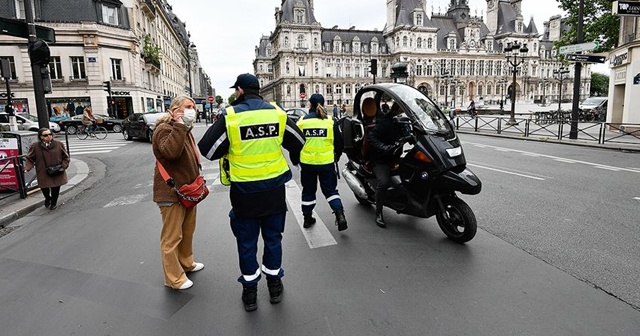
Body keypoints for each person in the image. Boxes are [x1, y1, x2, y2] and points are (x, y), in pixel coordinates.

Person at [198, 73, 305, 312]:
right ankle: (275, 284)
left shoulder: (232, 116)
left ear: (240, 91)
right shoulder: (277, 113)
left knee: (247, 242)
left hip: (244, 191)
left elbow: (208, 149)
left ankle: (250, 292)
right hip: (274, 190)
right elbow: (298, 141)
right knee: (273, 238)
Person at [152, 95, 204, 290]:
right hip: (171, 192)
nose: (193, 109)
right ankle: (174, 278)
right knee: (172, 237)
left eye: (193, 106)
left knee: (187, 232)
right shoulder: (163, 129)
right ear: (175, 110)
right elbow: (171, 152)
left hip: (187, 191)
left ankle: (186, 263)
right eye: (188, 107)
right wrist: (179, 125)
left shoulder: (184, 129)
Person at [297, 93, 347, 231]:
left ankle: (307, 218)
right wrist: (336, 156)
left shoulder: (302, 122)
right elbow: (339, 143)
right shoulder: (331, 122)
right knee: (331, 191)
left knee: (308, 191)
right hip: (326, 163)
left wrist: (296, 159)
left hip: (307, 164)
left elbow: (295, 143)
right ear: (323, 104)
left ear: (309, 104)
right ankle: (339, 214)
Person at [367, 103, 410, 228]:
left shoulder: (402, 124)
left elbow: (408, 134)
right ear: (396, 110)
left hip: (395, 156)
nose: (403, 114)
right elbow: (371, 137)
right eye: (401, 111)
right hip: (381, 159)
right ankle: (379, 211)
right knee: (384, 182)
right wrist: (383, 147)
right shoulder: (385, 123)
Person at [24, 128, 70, 210]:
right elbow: (30, 158)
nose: (49, 136)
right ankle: (48, 198)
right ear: (41, 137)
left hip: (57, 170)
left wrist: (63, 166)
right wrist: (27, 168)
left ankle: (53, 203)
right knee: (44, 187)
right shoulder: (35, 146)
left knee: (56, 187)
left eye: (50, 134)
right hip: (43, 171)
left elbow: (65, 157)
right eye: (45, 135)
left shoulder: (59, 144)